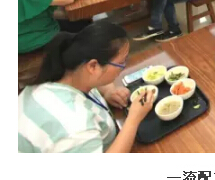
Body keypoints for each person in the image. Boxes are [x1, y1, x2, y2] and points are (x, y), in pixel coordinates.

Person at [18, 22, 154, 153]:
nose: (123, 67)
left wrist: (108, 91)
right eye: (121, 62)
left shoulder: (64, 74)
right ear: (93, 66)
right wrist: (133, 118)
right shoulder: (75, 128)